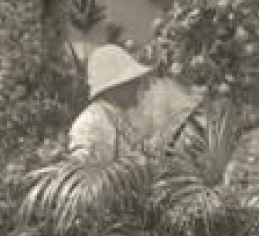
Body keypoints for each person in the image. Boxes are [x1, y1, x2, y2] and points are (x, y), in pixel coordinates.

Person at [68, 45, 199, 160]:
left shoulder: (120, 115)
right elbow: (83, 177)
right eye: (134, 82)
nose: (140, 87)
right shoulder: (88, 125)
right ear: (116, 87)